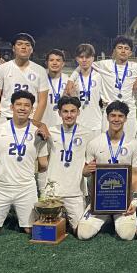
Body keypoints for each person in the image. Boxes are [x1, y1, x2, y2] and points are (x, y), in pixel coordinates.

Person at [0, 91, 49, 236]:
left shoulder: (38, 132)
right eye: (18, 104)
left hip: (25, 188)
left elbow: (43, 164)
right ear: (11, 107)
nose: (22, 108)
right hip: (0, 187)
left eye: (27, 105)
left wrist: (45, 192)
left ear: (32, 109)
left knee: (31, 230)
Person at [79, 101, 137, 241]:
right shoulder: (94, 143)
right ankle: (107, 217)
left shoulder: (134, 143)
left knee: (127, 235)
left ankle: (116, 217)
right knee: (83, 234)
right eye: (113, 115)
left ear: (126, 118)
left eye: (120, 116)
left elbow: (136, 173)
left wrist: (135, 202)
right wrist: (86, 170)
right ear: (107, 117)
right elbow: (85, 172)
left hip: (124, 200)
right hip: (100, 200)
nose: (116, 119)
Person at [44, 96, 90, 233]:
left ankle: (78, 210)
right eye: (65, 111)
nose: (69, 115)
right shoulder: (50, 132)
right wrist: (41, 125)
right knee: (48, 229)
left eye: (72, 111)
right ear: (59, 113)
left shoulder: (88, 133)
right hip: (53, 191)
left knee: (80, 231)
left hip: (75, 191)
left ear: (78, 112)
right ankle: (61, 214)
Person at [92, 36, 137, 138]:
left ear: (130, 53)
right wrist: (71, 80)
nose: (123, 51)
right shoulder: (104, 64)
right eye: (120, 47)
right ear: (114, 51)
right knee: (107, 142)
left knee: (128, 143)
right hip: (110, 111)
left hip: (129, 112)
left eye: (126, 48)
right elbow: (84, 64)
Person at [0, 33, 49, 120]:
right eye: (19, 44)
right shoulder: (2, 68)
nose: (23, 47)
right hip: (7, 116)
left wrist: (35, 122)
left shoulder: (40, 70)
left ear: (32, 49)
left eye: (27, 45)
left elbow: (43, 101)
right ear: (13, 48)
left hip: (30, 117)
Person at [66, 43, 102, 146]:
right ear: (77, 59)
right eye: (81, 57)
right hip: (78, 124)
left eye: (88, 57)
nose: (84, 60)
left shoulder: (100, 76)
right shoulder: (73, 80)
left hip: (96, 124)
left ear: (93, 58)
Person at [41, 49, 67, 126]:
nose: (55, 63)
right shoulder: (40, 79)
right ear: (46, 63)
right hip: (43, 125)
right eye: (51, 60)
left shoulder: (68, 81)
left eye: (58, 60)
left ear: (63, 63)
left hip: (62, 126)